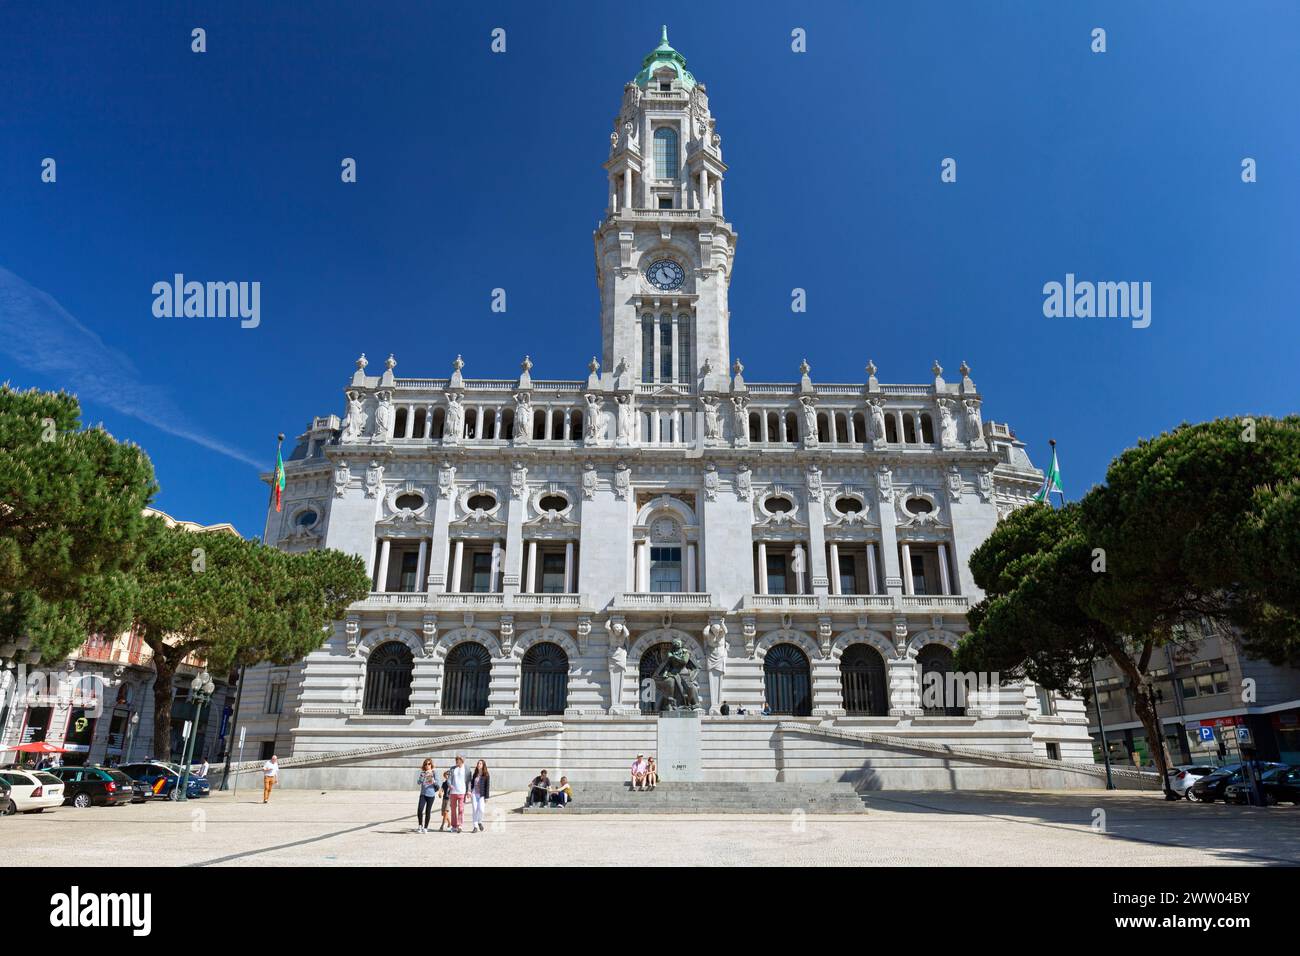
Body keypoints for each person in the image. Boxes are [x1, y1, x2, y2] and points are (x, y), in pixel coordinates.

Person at [415, 758, 438, 833]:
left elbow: (438, 784)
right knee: (420, 810)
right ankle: (420, 825)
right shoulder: (423, 773)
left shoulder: (434, 773)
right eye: (425, 764)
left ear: (431, 765)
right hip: (423, 794)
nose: (427, 765)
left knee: (428, 811)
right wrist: (422, 777)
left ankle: (425, 827)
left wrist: (433, 781)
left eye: (429, 764)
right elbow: (418, 782)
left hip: (431, 794)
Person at [447, 755, 468, 833]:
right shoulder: (452, 768)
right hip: (453, 792)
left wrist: (468, 791)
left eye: (458, 760)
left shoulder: (466, 768)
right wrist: (450, 785)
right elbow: (448, 779)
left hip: (462, 792)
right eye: (456, 760)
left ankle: (460, 825)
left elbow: (468, 780)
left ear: (462, 761)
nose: (456, 762)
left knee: (461, 809)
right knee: (453, 810)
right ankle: (454, 826)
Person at [468, 759, 490, 833]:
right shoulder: (475, 774)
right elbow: (472, 784)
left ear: (483, 765)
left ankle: (480, 821)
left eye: (480, 763)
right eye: (478, 763)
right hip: (474, 794)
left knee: (481, 810)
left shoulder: (486, 775)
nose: (478, 764)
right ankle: (475, 826)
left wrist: (487, 797)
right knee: (475, 809)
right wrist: (469, 791)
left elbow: (487, 786)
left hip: (481, 795)